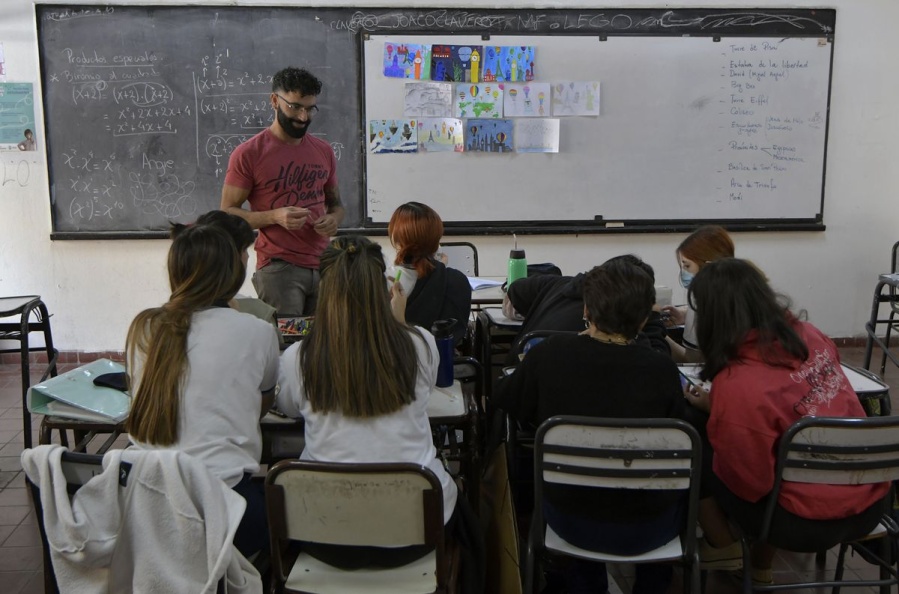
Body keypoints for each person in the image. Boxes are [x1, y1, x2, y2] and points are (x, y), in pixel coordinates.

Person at [682, 258, 890, 586]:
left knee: (697, 442)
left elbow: (752, 484)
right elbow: (800, 400)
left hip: (802, 522)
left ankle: (723, 546)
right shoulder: (811, 336)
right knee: (782, 452)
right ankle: (760, 565)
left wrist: (721, 418)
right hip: (871, 503)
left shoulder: (738, 382)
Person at [493, 258, 689, 594]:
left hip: (570, 522)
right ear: (645, 318)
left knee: (583, 486)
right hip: (651, 527)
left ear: (587, 308)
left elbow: (507, 400)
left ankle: (586, 583)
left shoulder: (550, 355)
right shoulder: (662, 370)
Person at [276, 235, 459, 566]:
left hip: (322, 532)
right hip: (416, 531)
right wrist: (400, 322)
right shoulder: (420, 344)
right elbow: (426, 389)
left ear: (324, 291)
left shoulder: (298, 358)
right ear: (385, 287)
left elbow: (288, 408)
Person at [125, 222, 280, 558]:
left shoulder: (144, 326)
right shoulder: (256, 331)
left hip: (146, 509)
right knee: (284, 514)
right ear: (233, 273)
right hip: (226, 508)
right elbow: (263, 402)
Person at [221, 66, 344, 316]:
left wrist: (333, 220)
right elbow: (228, 214)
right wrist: (274, 217)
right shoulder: (249, 154)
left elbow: (337, 206)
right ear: (274, 101)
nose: (302, 117)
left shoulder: (324, 151)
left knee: (327, 348)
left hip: (325, 264)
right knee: (287, 346)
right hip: (279, 268)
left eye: (310, 109)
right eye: (295, 107)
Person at [502, 254, 671, 358]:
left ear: (587, 311)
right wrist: (654, 317)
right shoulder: (645, 358)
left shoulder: (547, 352)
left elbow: (515, 288)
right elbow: (660, 357)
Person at [388, 202, 472, 345]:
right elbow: (458, 334)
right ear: (436, 241)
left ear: (396, 240)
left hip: (399, 362)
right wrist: (440, 268)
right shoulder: (456, 281)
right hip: (446, 364)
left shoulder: (384, 281)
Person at [661, 225, 735, 362]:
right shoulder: (741, 289)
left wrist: (657, 333)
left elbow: (692, 361)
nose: (684, 271)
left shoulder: (703, 300)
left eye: (687, 265)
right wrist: (685, 314)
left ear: (707, 265)